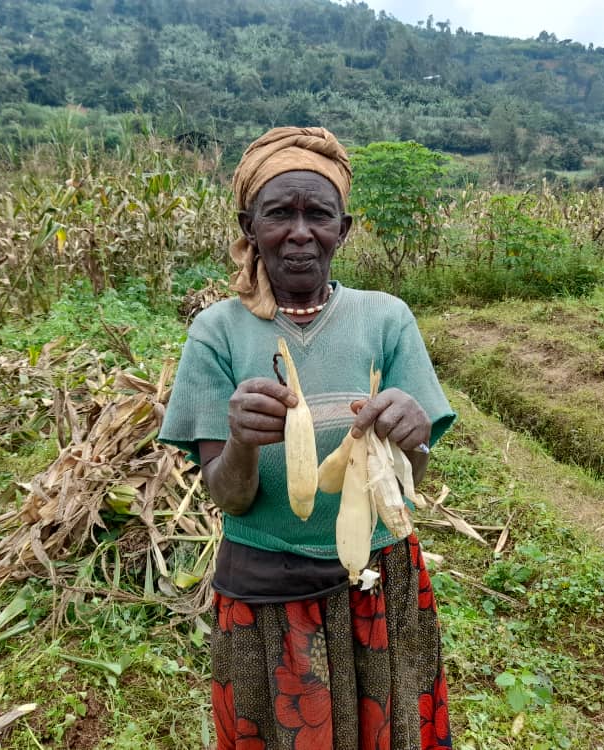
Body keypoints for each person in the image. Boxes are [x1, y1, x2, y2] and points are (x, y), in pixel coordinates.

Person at [159, 126, 456, 750]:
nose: (300, 232)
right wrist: (240, 440)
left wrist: (416, 440)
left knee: (388, 732)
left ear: (343, 228)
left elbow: (410, 480)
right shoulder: (217, 333)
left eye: (318, 214)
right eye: (279, 214)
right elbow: (228, 497)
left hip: (377, 575)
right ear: (250, 226)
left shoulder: (386, 319)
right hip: (267, 590)